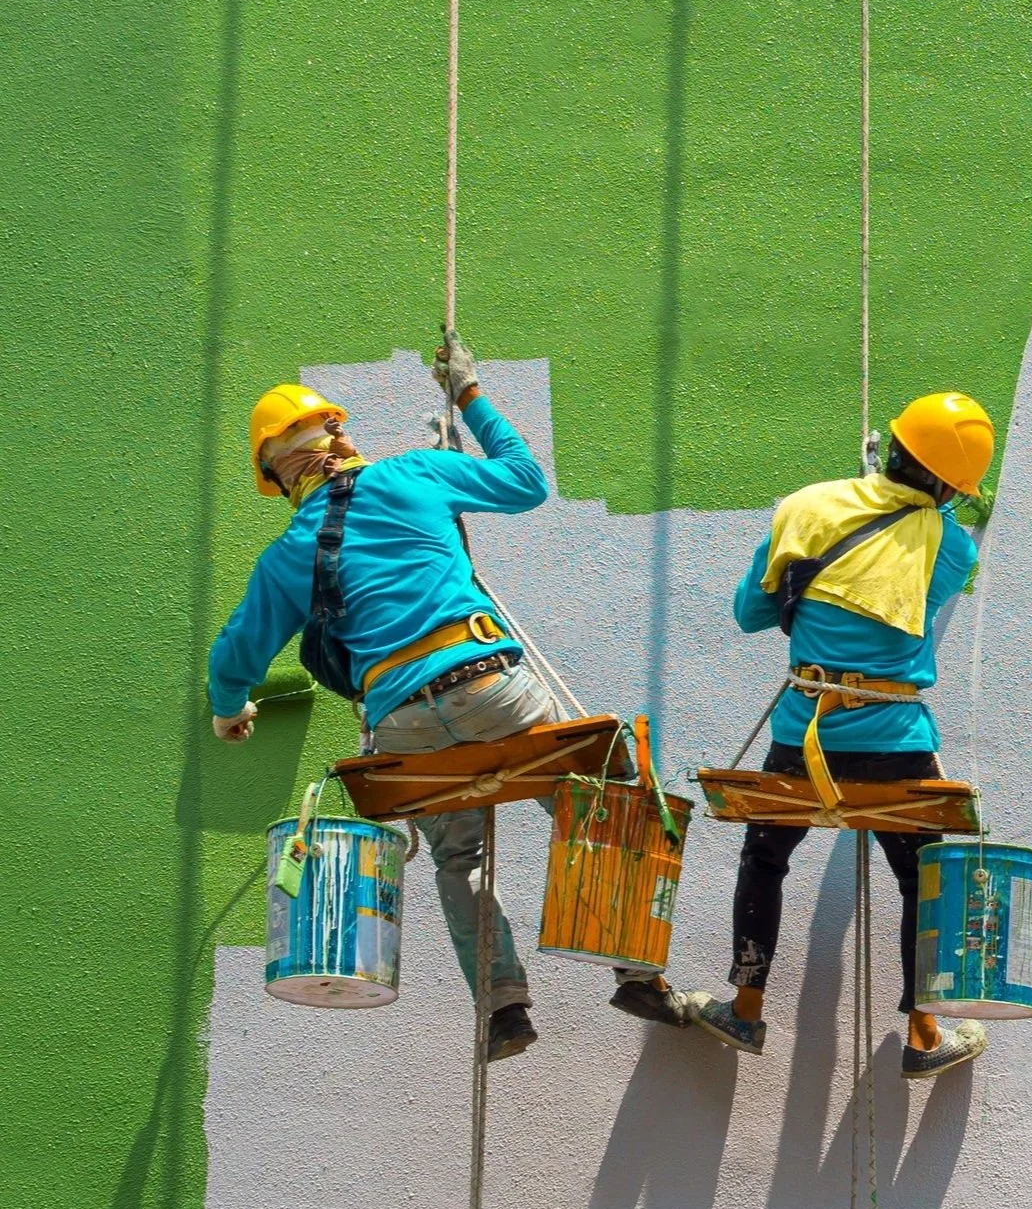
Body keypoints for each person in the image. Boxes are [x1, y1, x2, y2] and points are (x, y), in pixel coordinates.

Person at [208, 331, 685, 1059]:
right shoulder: (415, 475)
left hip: (402, 725)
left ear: (278, 477)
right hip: (486, 683)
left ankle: (502, 1009)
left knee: (458, 858)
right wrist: (468, 391)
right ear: (339, 434)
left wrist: (229, 709)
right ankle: (636, 970)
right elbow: (525, 480)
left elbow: (235, 652)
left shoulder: (287, 556)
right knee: (601, 799)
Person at [686, 392, 995, 1079]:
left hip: (804, 734)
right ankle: (922, 1031)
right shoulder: (950, 545)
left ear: (891, 444)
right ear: (947, 484)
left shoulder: (805, 506)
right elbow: (921, 574)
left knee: (764, 858)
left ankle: (745, 1003)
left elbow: (749, 612)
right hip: (896, 742)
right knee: (923, 876)